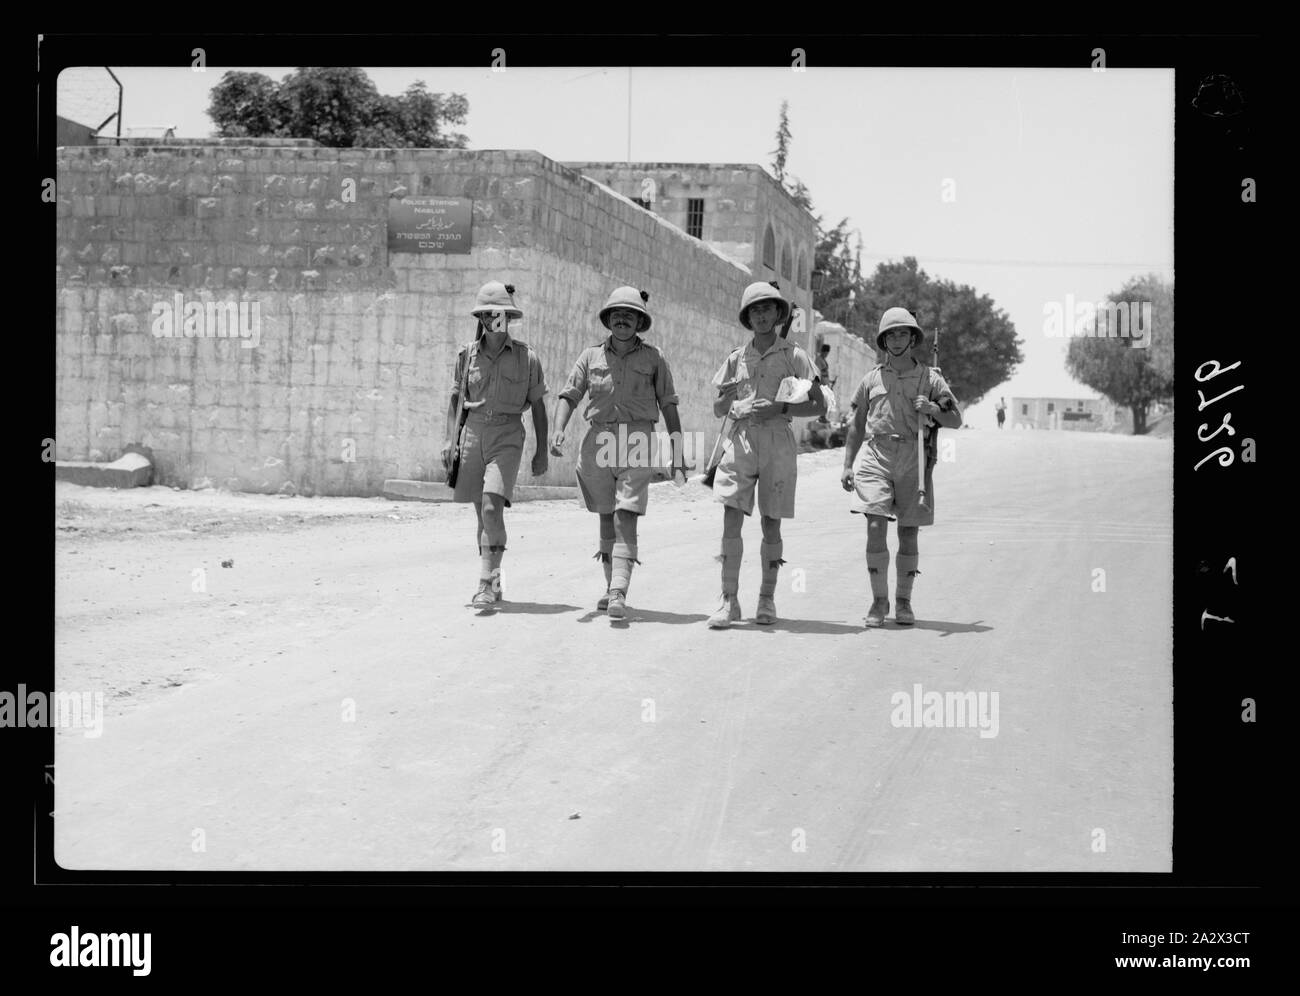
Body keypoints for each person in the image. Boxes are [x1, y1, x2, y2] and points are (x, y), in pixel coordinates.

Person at [550, 286, 687, 619]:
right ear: (608, 320)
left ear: (640, 321)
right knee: (606, 515)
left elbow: (668, 405)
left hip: (636, 439)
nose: (622, 319)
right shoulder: (589, 356)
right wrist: (559, 429)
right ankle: (612, 586)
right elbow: (570, 395)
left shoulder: (654, 358)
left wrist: (678, 450)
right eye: (616, 314)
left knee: (627, 513)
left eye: (630, 315)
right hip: (599, 440)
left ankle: (618, 590)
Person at [708, 281, 826, 628]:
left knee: (770, 522)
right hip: (741, 440)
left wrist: (779, 407)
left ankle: (767, 599)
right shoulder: (735, 358)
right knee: (731, 518)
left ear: (778, 314)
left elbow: (818, 404)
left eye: (767, 309)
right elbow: (717, 409)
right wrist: (727, 397)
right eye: (754, 310)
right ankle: (729, 600)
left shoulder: (795, 356)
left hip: (777, 441)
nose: (761, 316)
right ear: (747, 317)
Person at [840, 307, 962, 627]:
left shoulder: (930, 379)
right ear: (883, 340)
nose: (896, 339)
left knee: (908, 532)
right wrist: (847, 465)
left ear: (912, 339)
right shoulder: (871, 379)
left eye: (903, 333)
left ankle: (903, 601)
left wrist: (933, 407)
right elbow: (856, 425)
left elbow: (956, 419)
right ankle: (879, 602)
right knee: (876, 526)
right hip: (877, 454)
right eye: (890, 334)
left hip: (914, 456)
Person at [441, 281, 549, 612]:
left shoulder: (526, 357)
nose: (491, 319)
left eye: (497, 314)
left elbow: (539, 406)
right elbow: (457, 399)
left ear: (507, 317)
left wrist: (541, 450)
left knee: (491, 507)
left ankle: (485, 584)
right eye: (486, 314)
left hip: (507, 435)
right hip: (473, 434)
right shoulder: (467, 355)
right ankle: (495, 575)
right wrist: (449, 439)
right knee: (482, 516)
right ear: (481, 318)